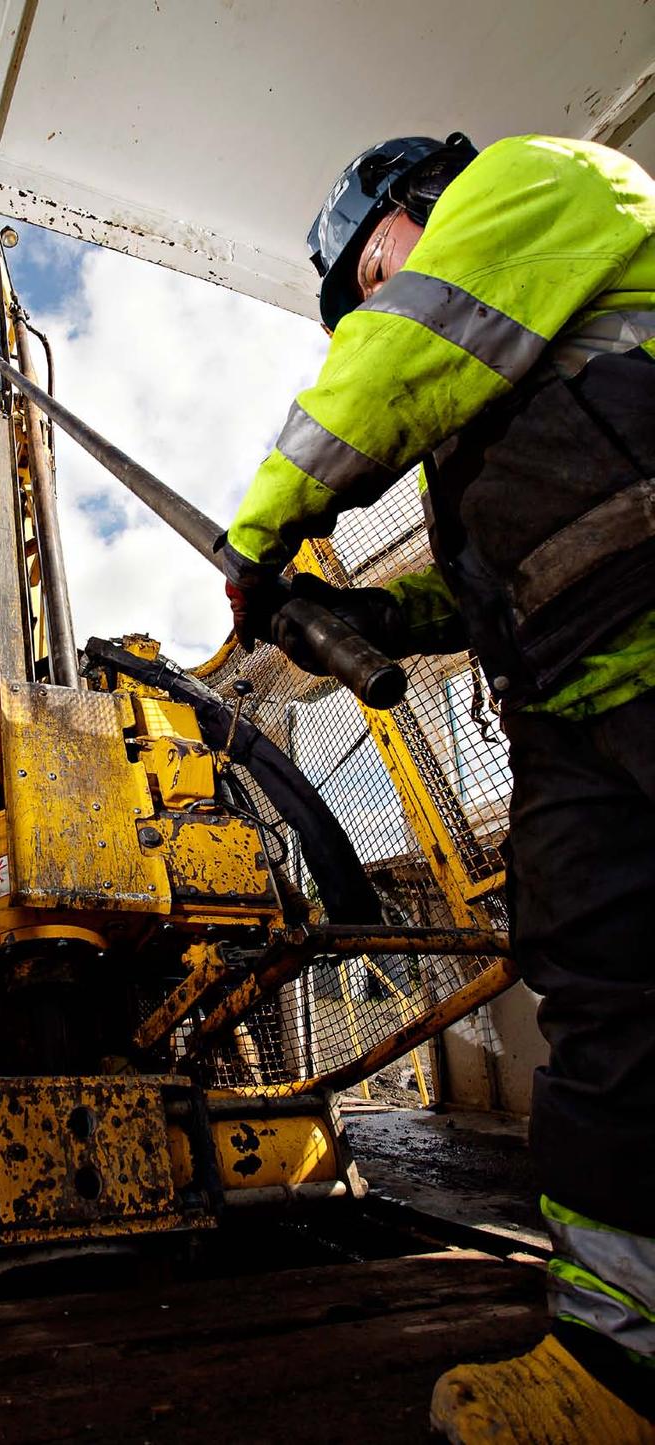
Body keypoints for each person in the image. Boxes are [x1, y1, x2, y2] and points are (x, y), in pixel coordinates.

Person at [220, 134, 655, 1440]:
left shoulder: (548, 181)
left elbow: (399, 352)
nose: (373, 300)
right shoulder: (484, 409)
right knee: (611, 1017)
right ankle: (623, 1367)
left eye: (372, 267)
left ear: (422, 202)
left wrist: (263, 525)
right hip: (579, 718)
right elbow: (477, 588)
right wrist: (352, 610)